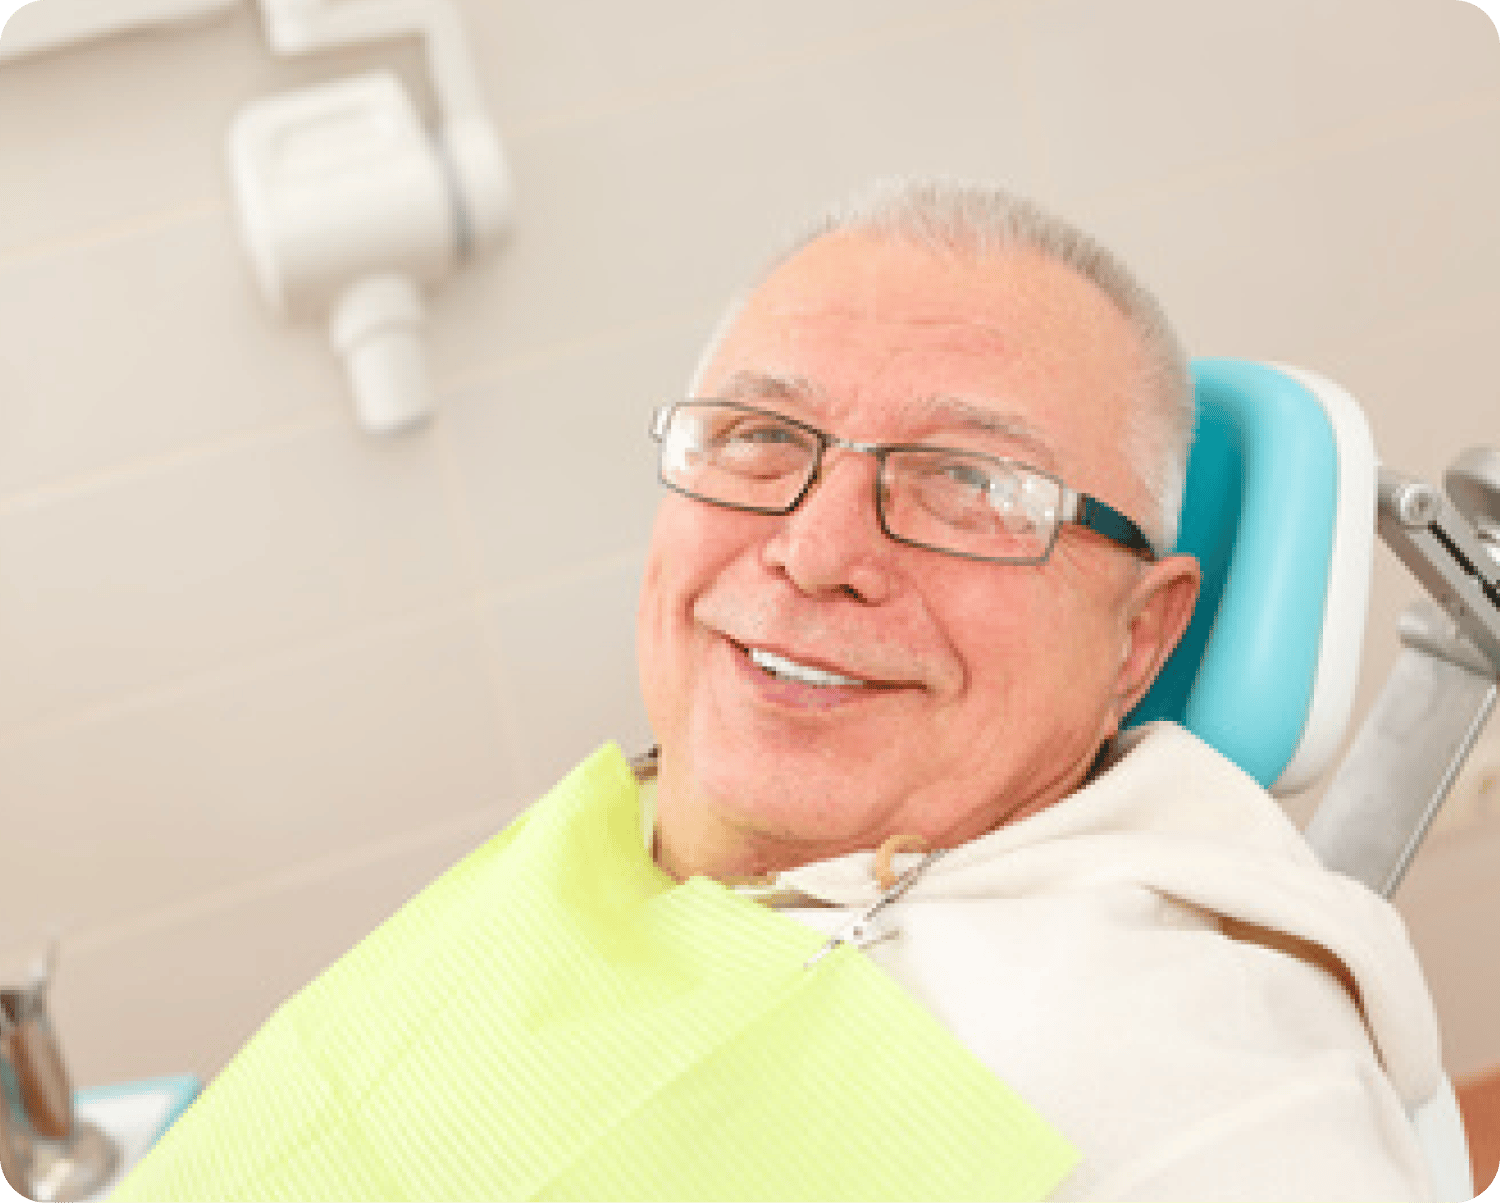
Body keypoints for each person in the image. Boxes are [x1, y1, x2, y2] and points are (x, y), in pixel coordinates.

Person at [115, 178, 1443, 1202]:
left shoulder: (1178, 1070)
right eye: (761, 437)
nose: (815, 551)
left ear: (1139, 637)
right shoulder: (622, 827)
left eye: (968, 482)